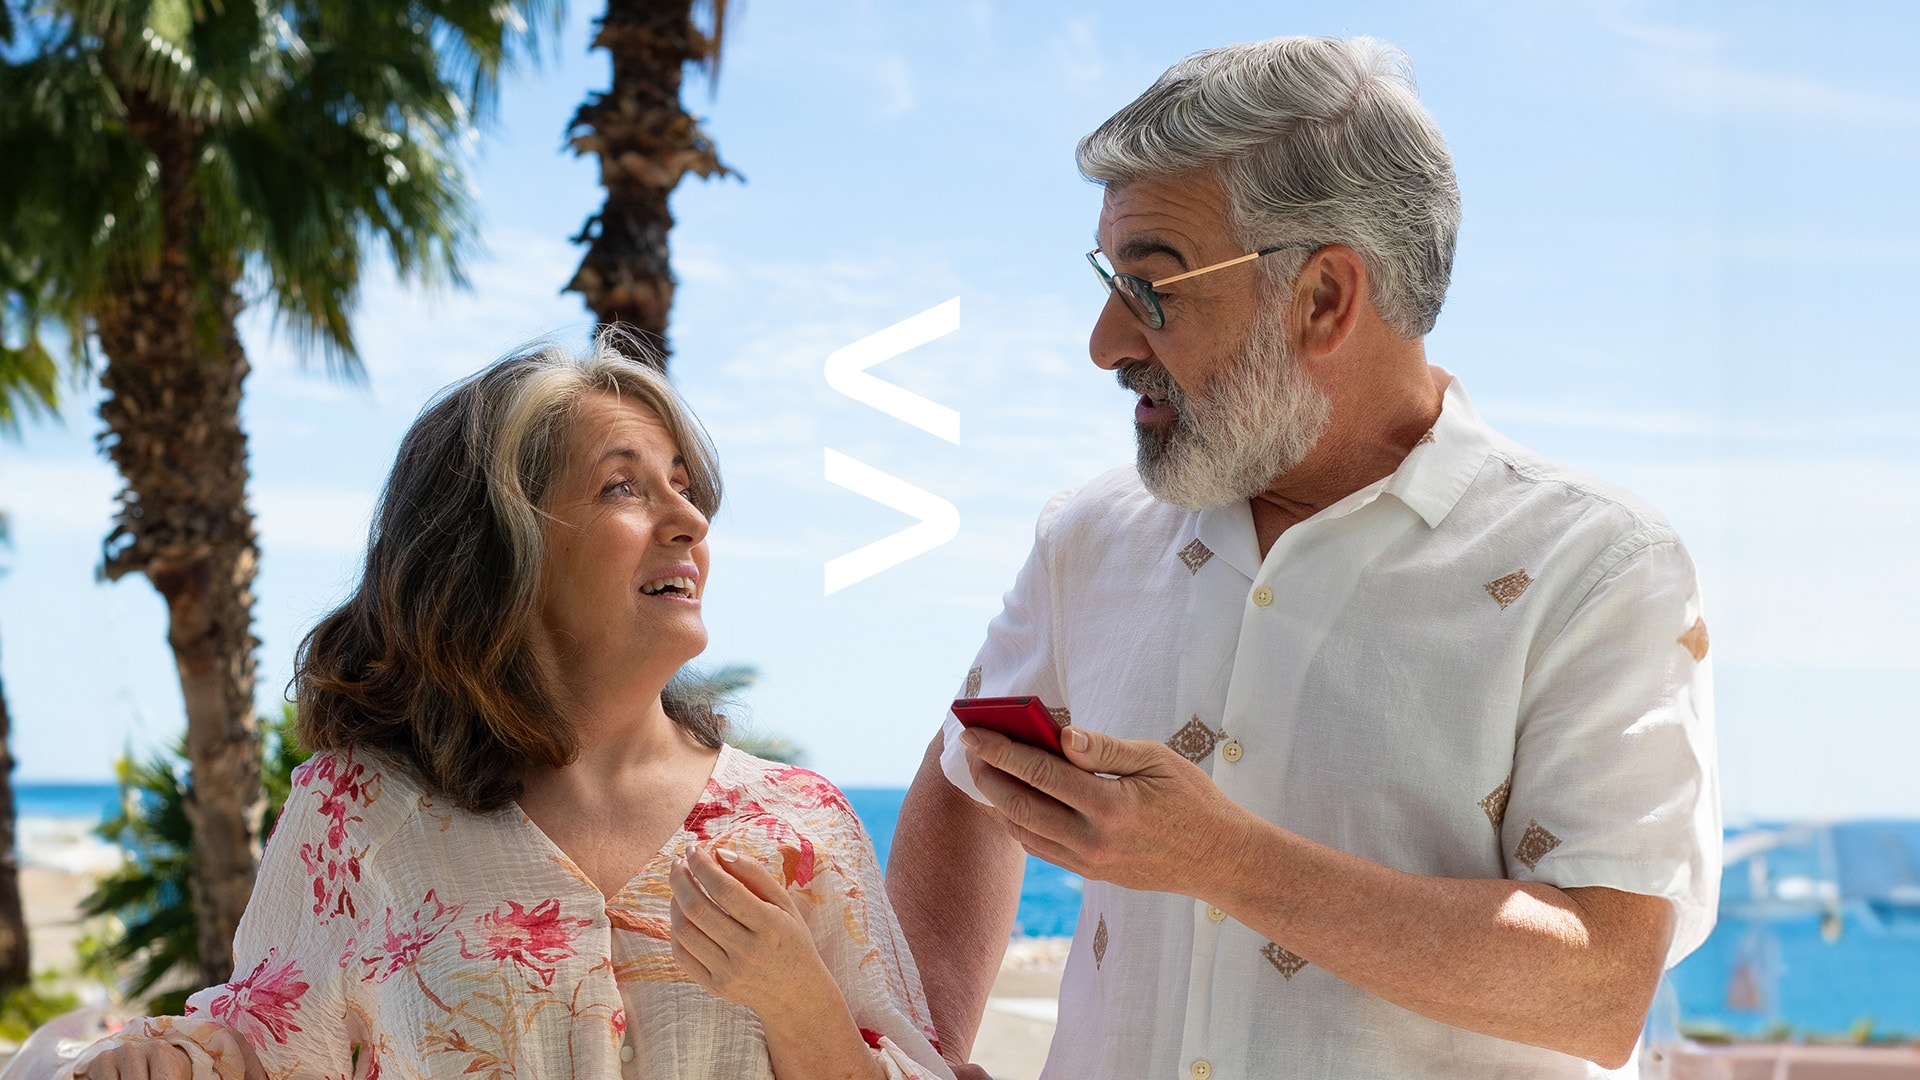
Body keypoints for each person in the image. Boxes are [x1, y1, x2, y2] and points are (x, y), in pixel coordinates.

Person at [887, 35, 1719, 1080]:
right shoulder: (1086, 536)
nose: (1104, 342)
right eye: (1110, 282)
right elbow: (968, 779)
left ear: (1325, 299)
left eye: (1153, 288)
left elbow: (1600, 988)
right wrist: (910, 1055)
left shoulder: (1597, 566)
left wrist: (1222, 861)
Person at [63, 337, 954, 1080]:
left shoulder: (801, 826)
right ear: (499, 546)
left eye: (683, 485)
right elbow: (265, 1044)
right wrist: (164, 1065)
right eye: (623, 487)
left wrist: (802, 1005)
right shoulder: (358, 815)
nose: (688, 520)